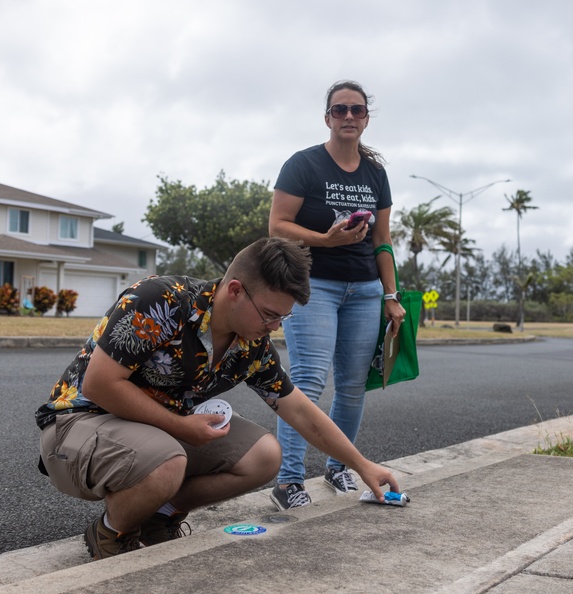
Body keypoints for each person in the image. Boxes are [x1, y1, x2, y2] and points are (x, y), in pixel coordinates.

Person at [34, 237, 400, 560]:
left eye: (284, 318)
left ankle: (160, 516)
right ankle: (112, 533)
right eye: (271, 315)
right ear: (235, 290)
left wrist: (360, 464)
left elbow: (298, 409)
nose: (275, 327)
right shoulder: (160, 301)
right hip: (77, 426)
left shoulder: (251, 344)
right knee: (168, 460)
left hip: (155, 433)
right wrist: (181, 427)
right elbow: (99, 384)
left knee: (265, 455)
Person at [268, 80, 405, 510]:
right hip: (313, 287)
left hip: (365, 290)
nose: (349, 116)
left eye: (357, 110)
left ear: (366, 118)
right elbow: (278, 227)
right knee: (306, 382)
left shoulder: (375, 173)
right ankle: (288, 480)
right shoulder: (303, 164)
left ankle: (337, 467)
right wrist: (325, 241)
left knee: (351, 388)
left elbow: (382, 239)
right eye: (340, 109)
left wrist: (390, 294)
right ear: (327, 117)